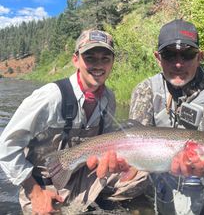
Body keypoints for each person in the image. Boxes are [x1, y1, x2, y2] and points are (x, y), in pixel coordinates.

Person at [0, 29, 146, 214]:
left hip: (84, 172)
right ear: (75, 59)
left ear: (112, 63)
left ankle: (99, 202)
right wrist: (35, 192)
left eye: (105, 58)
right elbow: (6, 146)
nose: (98, 65)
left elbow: (106, 144)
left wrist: (113, 162)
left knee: (141, 175)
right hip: (43, 182)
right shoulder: (50, 97)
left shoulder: (109, 97)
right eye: (90, 58)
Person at [129, 19, 204, 215]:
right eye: (169, 54)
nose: (178, 63)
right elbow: (134, 144)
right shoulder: (145, 90)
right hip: (166, 171)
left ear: (199, 57)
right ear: (158, 57)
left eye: (187, 54)